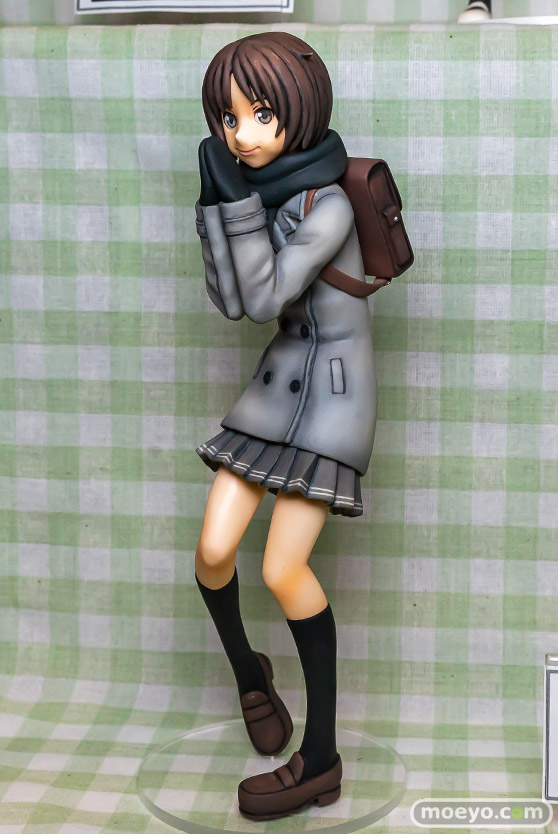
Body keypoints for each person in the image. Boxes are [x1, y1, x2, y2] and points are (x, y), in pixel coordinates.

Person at [193, 31, 378, 821]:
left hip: (332, 399)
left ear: (298, 110)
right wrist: (216, 205)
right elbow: (234, 303)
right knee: (211, 551)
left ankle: (322, 760)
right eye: (229, 119)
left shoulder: (327, 203)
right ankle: (250, 672)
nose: (243, 135)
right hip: (275, 389)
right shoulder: (261, 194)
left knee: (282, 568)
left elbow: (268, 296)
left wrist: (233, 201)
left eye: (261, 114)